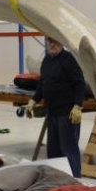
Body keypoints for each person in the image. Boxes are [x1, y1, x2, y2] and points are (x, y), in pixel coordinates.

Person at [26, 37, 85, 177]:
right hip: (52, 113)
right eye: (50, 41)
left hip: (67, 114)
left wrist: (77, 106)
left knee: (68, 151)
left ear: (62, 43)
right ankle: (56, 182)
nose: (52, 44)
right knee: (53, 152)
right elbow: (42, 84)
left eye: (56, 41)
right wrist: (33, 100)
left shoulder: (69, 60)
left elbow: (79, 83)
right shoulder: (46, 61)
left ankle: (74, 181)